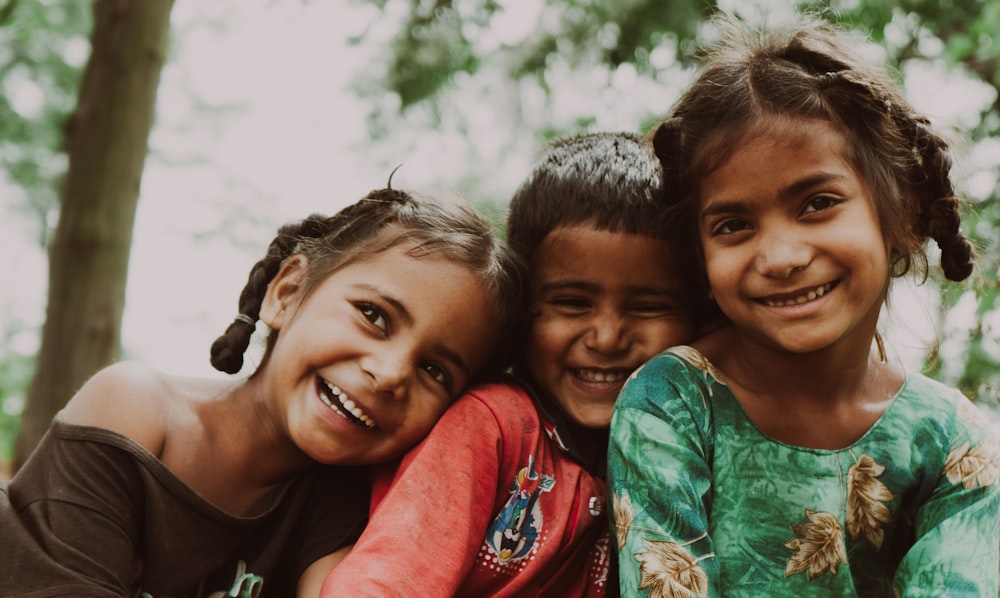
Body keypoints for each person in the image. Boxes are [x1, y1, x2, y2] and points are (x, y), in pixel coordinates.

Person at [608, 12, 1000, 597]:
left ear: (905, 210)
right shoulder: (673, 403)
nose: (781, 256)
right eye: (734, 224)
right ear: (701, 257)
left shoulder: (955, 443)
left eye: (817, 203)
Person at [0, 184, 526, 597]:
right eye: (374, 316)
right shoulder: (136, 410)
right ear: (286, 291)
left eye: (435, 371)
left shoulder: (339, 504)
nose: (390, 374)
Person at [320, 131, 701, 597]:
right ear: (523, 311)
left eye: (648, 307)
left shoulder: (675, 449)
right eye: (572, 303)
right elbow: (386, 581)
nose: (607, 337)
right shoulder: (490, 426)